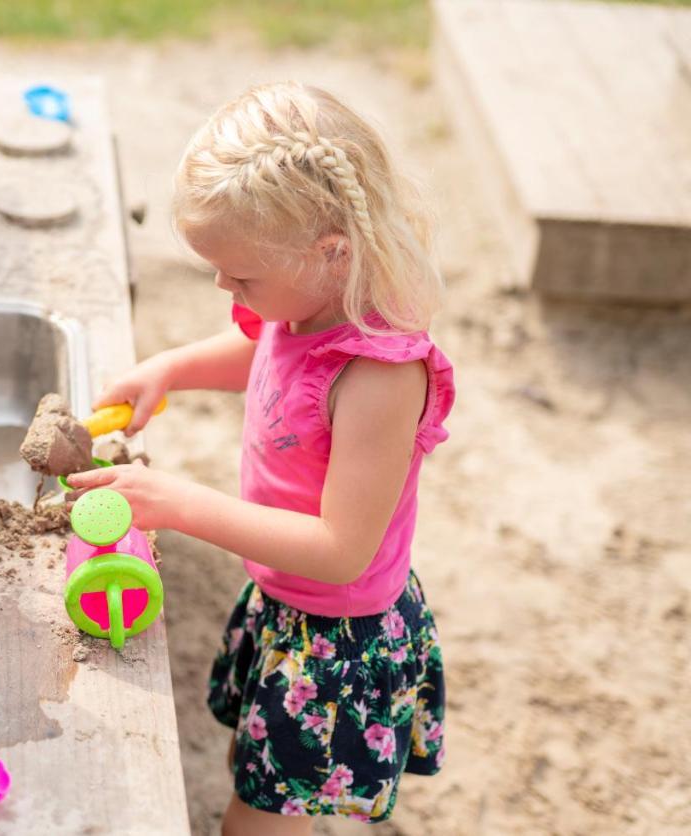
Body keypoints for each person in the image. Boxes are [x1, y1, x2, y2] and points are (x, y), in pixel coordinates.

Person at [68, 82, 451, 833]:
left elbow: (342, 551)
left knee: (260, 816)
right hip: (287, 600)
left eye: (242, 277)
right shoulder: (306, 302)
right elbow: (261, 347)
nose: (223, 288)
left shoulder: (380, 378)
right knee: (264, 781)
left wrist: (183, 504)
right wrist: (170, 369)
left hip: (336, 638)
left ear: (331, 254)